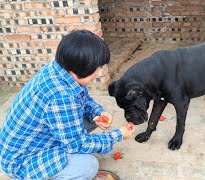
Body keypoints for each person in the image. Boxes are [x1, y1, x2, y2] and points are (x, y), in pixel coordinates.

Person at [0, 29, 135, 179]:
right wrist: (118, 135)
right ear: (82, 68)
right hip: (22, 161)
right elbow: (77, 144)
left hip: (30, 142)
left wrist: (97, 112)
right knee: (88, 166)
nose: (98, 72)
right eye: (96, 68)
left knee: (88, 120)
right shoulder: (62, 96)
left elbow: (82, 98)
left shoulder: (59, 68)